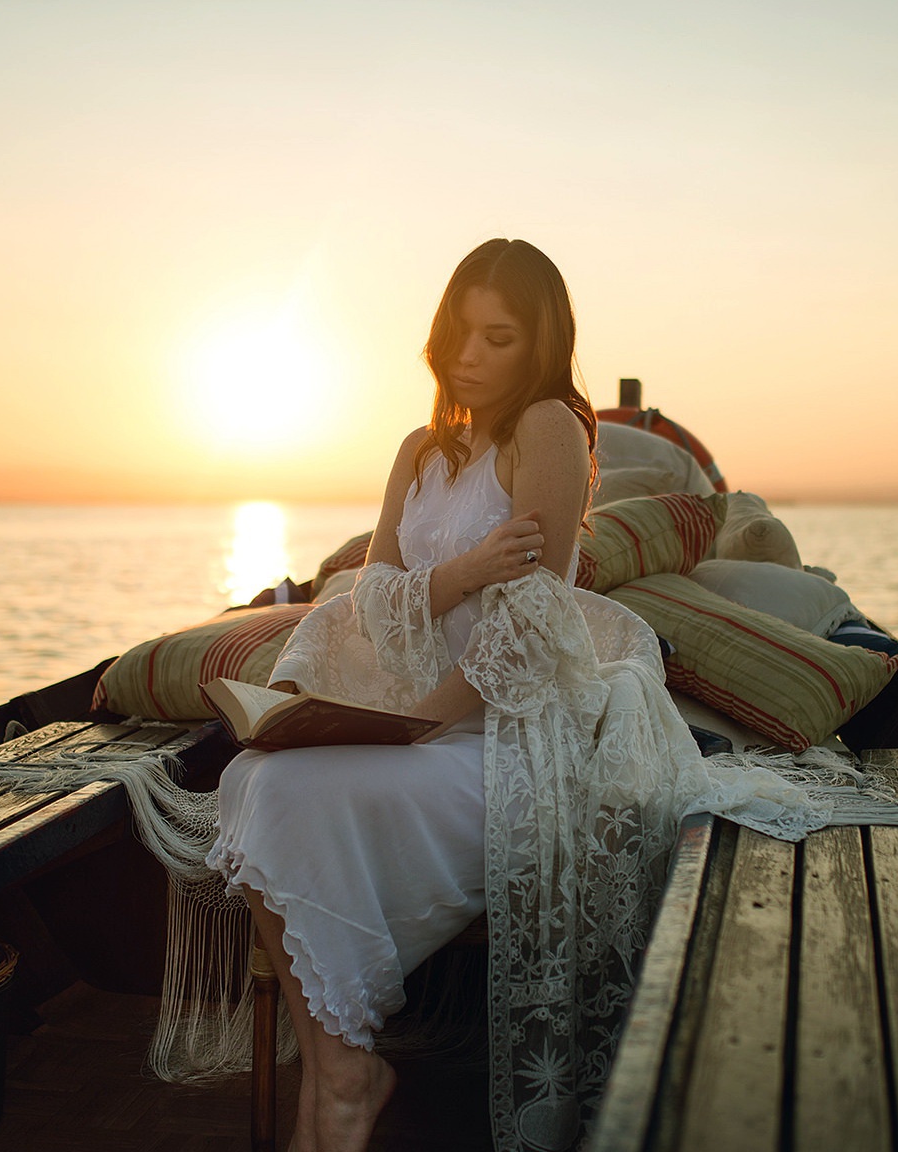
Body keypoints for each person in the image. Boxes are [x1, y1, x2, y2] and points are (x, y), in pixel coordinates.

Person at [208, 237, 696, 1152]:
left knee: (285, 797)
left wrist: (425, 720)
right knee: (249, 781)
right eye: (459, 333)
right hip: (421, 722)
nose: (470, 356)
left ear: (541, 346)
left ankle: (342, 1074)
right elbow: (374, 603)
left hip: (509, 736)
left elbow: (533, 622)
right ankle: (342, 1067)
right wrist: (464, 571)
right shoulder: (418, 450)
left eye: (498, 338)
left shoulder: (547, 428)